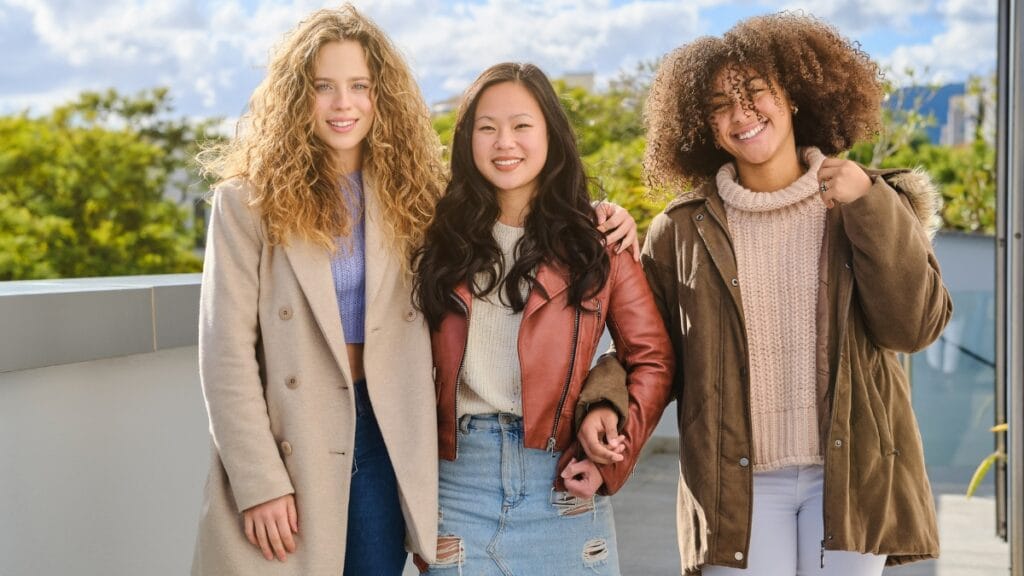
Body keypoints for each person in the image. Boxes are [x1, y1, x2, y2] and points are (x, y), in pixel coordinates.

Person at [191, 6, 640, 575]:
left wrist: (599, 214)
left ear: (383, 97)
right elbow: (224, 353)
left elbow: (511, 212)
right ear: (294, 96)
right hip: (291, 431)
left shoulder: (417, 199)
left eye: (360, 86)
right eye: (323, 87)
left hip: (389, 429)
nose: (342, 103)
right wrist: (256, 480)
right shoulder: (247, 202)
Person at [589, 12, 952, 575]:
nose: (742, 114)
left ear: (796, 98)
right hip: (734, 487)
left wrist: (871, 204)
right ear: (702, 127)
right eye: (719, 105)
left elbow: (913, 328)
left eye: (756, 93)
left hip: (851, 478)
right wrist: (606, 401)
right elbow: (649, 354)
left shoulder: (864, 201)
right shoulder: (682, 231)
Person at [412, 62, 674, 574]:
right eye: (486, 127)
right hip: (456, 486)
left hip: (563, 483)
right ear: (467, 140)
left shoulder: (598, 241)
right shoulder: (433, 238)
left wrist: (611, 458)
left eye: (521, 125)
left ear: (551, 134)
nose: (504, 141)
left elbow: (654, 358)